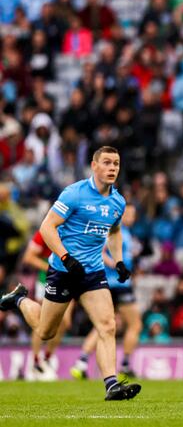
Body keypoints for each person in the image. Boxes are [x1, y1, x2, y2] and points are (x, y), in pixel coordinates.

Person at [0, 146, 140, 400]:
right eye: (106, 163)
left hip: (92, 273)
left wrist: (118, 261)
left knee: (107, 325)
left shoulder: (117, 201)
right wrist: (65, 256)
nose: (112, 168)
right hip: (63, 271)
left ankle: (111, 384)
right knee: (46, 332)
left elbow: (115, 231)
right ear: (94, 166)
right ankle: (19, 299)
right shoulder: (74, 194)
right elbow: (46, 227)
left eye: (116, 164)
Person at [71, 206, 142, 380]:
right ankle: (125, 365)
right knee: (135, 324)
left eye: (134, 214)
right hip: (118, 284)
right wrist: (116, 266)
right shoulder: (113, 229)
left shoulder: (125, 232)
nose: (132, 217)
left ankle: (81, 362)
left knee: (104, 325)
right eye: (129, 214)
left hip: (114, 283)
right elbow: (99, 252)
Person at [21, 230, 74, 381]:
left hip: (70, 280)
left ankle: (47, 358)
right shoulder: (46, 230)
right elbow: (28, 257)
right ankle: (36, 361)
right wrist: (50, 268)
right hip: (48, 279)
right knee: (43, 320)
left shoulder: (75, 227)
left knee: (65, 322)